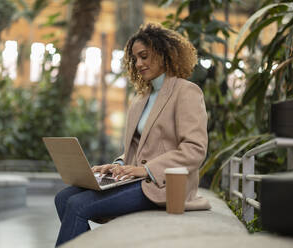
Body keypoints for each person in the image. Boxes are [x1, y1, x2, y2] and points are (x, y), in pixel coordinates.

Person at [54, 22, 210, 247]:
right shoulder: (140, 100)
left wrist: (146, 169)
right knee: (63, 198)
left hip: (163, 185)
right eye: (135, 58)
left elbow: (194, 150)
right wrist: (116, 165)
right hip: (136, 180)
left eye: (144, 56)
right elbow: (135, 150)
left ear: (163, 53)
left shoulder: (186, 92)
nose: (139, 64)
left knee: (77, 205)